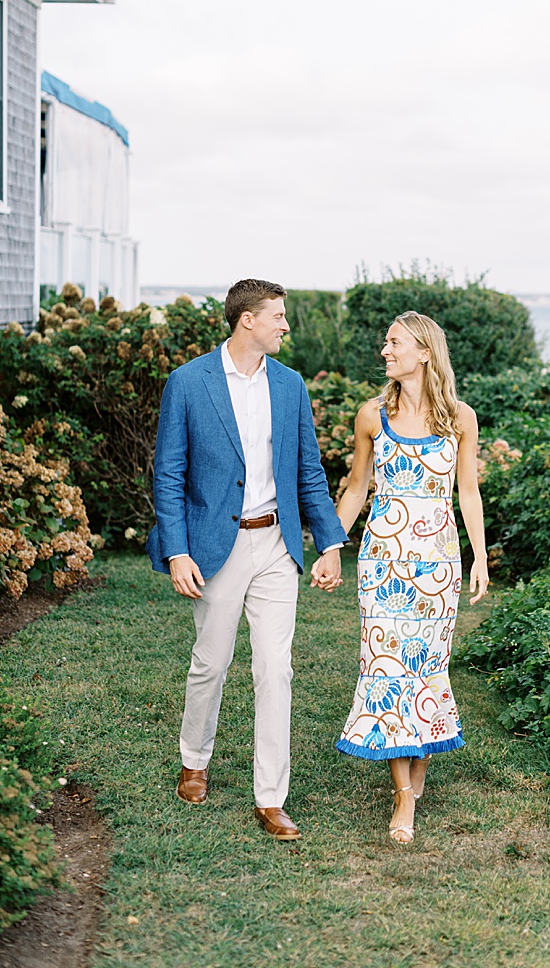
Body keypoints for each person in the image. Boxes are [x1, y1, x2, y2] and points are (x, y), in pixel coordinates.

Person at [146, 278, 346, 841]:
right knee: (211, 661)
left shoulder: (291, 386)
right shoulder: (188, 383)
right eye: (278, 316)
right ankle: (194, 760)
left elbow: (308, 470)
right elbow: (169, 474)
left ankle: (270, 797)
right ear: (246, 321)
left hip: (276, 545)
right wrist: (178, 549)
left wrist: (328, 542)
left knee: (275, 669)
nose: (286, 326)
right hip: (215, 546)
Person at [335, 310, 489, 843]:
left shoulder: (460, 418)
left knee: (426, 673)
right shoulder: (372, 416)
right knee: (386, 671)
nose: (385, 350)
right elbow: (357, 489)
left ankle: (416, 775)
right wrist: (332, 547)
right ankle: (403, 795)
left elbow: (467, 492)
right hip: (383, 565)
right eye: (385, 343)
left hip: (439, 564)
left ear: (424, 351)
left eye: (394, 342)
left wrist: (480, 558)